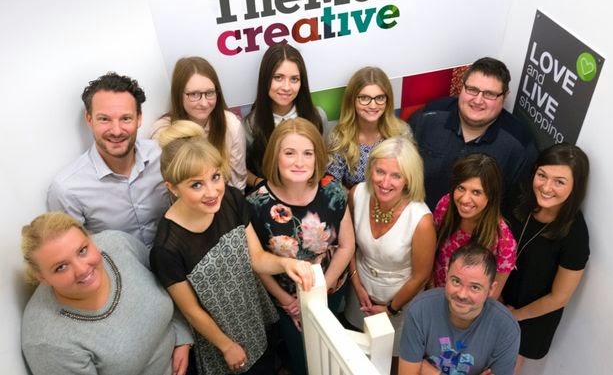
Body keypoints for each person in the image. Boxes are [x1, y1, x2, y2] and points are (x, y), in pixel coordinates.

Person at [150, 120, 314, 375]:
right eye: (196, 184)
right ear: (172, 187)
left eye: (215, 177)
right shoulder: (166, 248)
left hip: (253, 315)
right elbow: (191, 311)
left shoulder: (231, 200)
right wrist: (226, 345)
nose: (212, 192)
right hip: (218, 335)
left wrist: (286, 263)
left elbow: (256, 258)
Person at [21, 212, 193, 375]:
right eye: (61, 267)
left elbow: (167, 281)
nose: (82, 270)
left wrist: (182, 337)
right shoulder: (47, 342)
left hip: (189, 348)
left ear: (91, 239)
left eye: (82, 251)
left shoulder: (118, 244)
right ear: (43, 278)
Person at [246, 118, 354, 375]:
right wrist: (288, 303)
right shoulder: (256, 204)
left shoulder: (332, 190)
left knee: (331, 352)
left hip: (330, 287)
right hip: (287, 299)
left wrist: (322, 290)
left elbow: (347, 245)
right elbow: (257, 261)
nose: (299, 162)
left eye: (308, 153)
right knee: (302, 357)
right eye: (289, 153)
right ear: (275, 156)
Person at [47, 72, 169, 248]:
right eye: (104, 119)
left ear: (139, 118)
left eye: (125, 118)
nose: (116, 131)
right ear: (89, 119)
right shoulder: (66, 190)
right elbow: (71, 251)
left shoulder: (163, 155)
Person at [344, 136, 436, 357]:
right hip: (360, 293)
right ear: (370, 170)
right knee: (355, 354)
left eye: (396, 175)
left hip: (400, 303)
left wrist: (392, 308)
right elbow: (349, 245)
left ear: (409, 179)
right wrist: (356, 285)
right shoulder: (357, 194)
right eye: (380, 172)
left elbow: (421, 276)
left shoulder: (421, 220)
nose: (385, 183)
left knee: (390, 358)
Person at [502, 143, 590, 373]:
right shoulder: (518, 198)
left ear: (576, 186)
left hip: (529, 318)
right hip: (495, 296)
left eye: (559, 182)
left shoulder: (575, 235)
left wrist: (515, 315)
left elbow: (559, 297)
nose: (546, 187)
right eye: (542, 175)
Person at [409, 57, 538, 210]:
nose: (478, 100)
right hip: (416, 215)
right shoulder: (428, 117)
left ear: (505, 96)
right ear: (462, 87)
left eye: (489, 94)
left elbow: (517, 205)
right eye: (472, 90)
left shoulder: (519, 146)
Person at [399, 243, 520, 375]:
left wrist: (433, 373)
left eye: (475, 287)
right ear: (446, 275)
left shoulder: (506, 328)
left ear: (491, 289)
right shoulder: (420, 309)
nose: (462, 294)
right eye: (456, 281)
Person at [150, 56, 247, 190]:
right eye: (194, 94)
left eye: (210, 93)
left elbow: (238, 183)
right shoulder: (163, 131)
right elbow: (166, 187)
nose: (204, 103)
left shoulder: (230, 124)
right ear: (178, 94)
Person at [243, 42, 328, 189]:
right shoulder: (250, 126)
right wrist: (261, 184)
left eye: (294, 79)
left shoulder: (317, 117)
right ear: (265, 79)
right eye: (278, 77)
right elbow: (239, 170)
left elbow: (323, 160)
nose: (286, 87)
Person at [432, 154, 516, 299]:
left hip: (466, 305)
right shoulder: (446, 205)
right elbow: (430, 253)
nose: (465, 199)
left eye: (476, 192)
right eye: (461, 188)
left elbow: (491, 296)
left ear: (491, 196)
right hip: (433, 292)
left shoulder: (504, 242)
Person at [327, 66, 412, 189]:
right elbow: (331, 185)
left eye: (379, 98)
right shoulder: (339, 137)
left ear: (387, 100)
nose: (373, 105)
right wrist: (355, 196)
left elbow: (410, 179)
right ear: (352, 101)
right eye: (364, 98)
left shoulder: (401, 132)